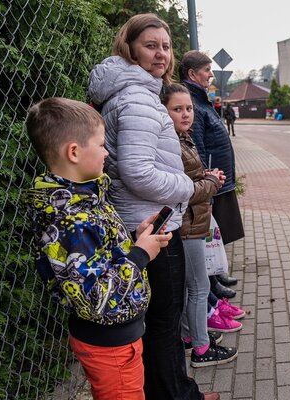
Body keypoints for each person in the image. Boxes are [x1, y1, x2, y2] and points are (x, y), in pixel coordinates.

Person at [87, 14, 218, 400]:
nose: (161, 53)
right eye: (150, 45)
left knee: (159, 318)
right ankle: (178, 395)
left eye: (165, 45)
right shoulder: (137, 97)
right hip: (151, 223)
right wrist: (187, 187)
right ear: (129, 47)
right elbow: (137, 171)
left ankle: (172, 390)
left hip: (142, 217)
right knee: (164, 319)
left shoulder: (133, 91)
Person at [24, 97, 171, 399]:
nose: (107, 152)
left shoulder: (84, 199)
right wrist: (140, 254)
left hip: (120, 338)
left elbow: (101, 257)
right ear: (74, 152)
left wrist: (135, 237)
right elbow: (95, 299)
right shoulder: (68, 220)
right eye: (102, 144)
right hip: (110, 344)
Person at [161, 83, 241, 368]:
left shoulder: (183, 137)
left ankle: (188, 336)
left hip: (191, 221)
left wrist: (205, 175)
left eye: (189, 108)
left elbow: (189, 179)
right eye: (177, 109)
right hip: (187, 224)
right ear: (163, 110)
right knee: (198, 287)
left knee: (190, 287)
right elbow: (182, 189)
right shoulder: (172, 142)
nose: (186, 114)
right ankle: (201, 347)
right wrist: (211, 182)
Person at [179, 51, 244, 297]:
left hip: (217, 178)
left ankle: (216, 274)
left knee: (216, 229)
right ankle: (212, 280)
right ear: (192, 73)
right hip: (210, 178)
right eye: (207, 70)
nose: (211, 74)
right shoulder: (192, 101)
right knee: (207, 229)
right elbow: (196, 144)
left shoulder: (200, 98)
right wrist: (206, 176)